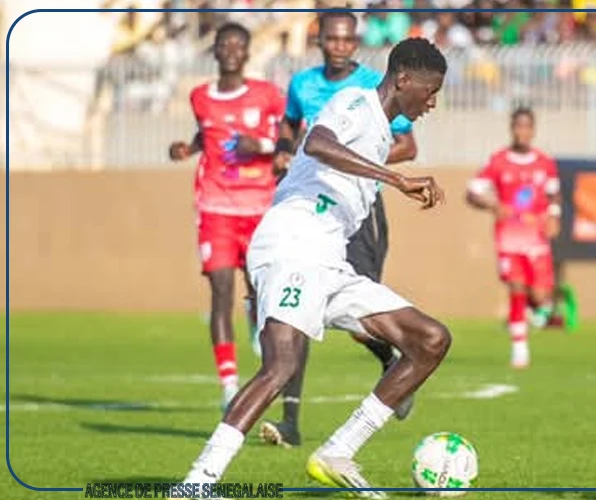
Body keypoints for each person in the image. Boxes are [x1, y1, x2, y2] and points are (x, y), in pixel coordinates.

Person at [179, 37, 449, 498]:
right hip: (294, 243)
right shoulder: (355, 102)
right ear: (403, 79)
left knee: (430, 340)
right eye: (429, 90)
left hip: (328, 259)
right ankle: (196, 484)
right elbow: (319, 143)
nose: (432, 102)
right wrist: (397, 179)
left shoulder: (383, 133)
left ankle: (338, 450)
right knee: (281, 364)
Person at [261, 11, 420, 449]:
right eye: (332, 38)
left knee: (357, 319)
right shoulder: (302, 84)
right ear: (320, 41)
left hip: (357, 210)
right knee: (294, 311)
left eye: (347, 39)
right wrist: (282, 152)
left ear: (356, 42)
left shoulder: (375, 84)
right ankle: (290, 420)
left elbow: (406, 143)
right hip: (309, 208)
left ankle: (393, 362)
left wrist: (355, 161)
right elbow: (293, 130)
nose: (339, 46)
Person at [168, 22, 285, 412]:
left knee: (258, 285)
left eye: (239, 43)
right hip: (215, 207)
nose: (232, 49)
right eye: (225, 43)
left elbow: (288, 142)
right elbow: (208, 134)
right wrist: (188, 147)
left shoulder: (268, 95)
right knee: (220, 292)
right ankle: (229, 384)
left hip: (260, 207)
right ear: (215, 50)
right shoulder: (200, 97)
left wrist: (261, 145)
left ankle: (256, 318)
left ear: (248, 51)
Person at [466, 107, 562, 369]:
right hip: (508, 238)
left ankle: (536, 311)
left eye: (527, 127)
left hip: (537, 237)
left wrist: (554, 215)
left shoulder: (544, 162)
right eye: (518, 126)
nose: (522, 131)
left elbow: (554, 194)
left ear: (533, 129)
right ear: (512, 128)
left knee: (541, 297)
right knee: (516, 288)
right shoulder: (498, 161)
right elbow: (472, 192)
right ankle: (520, 349)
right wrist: (491, 204)